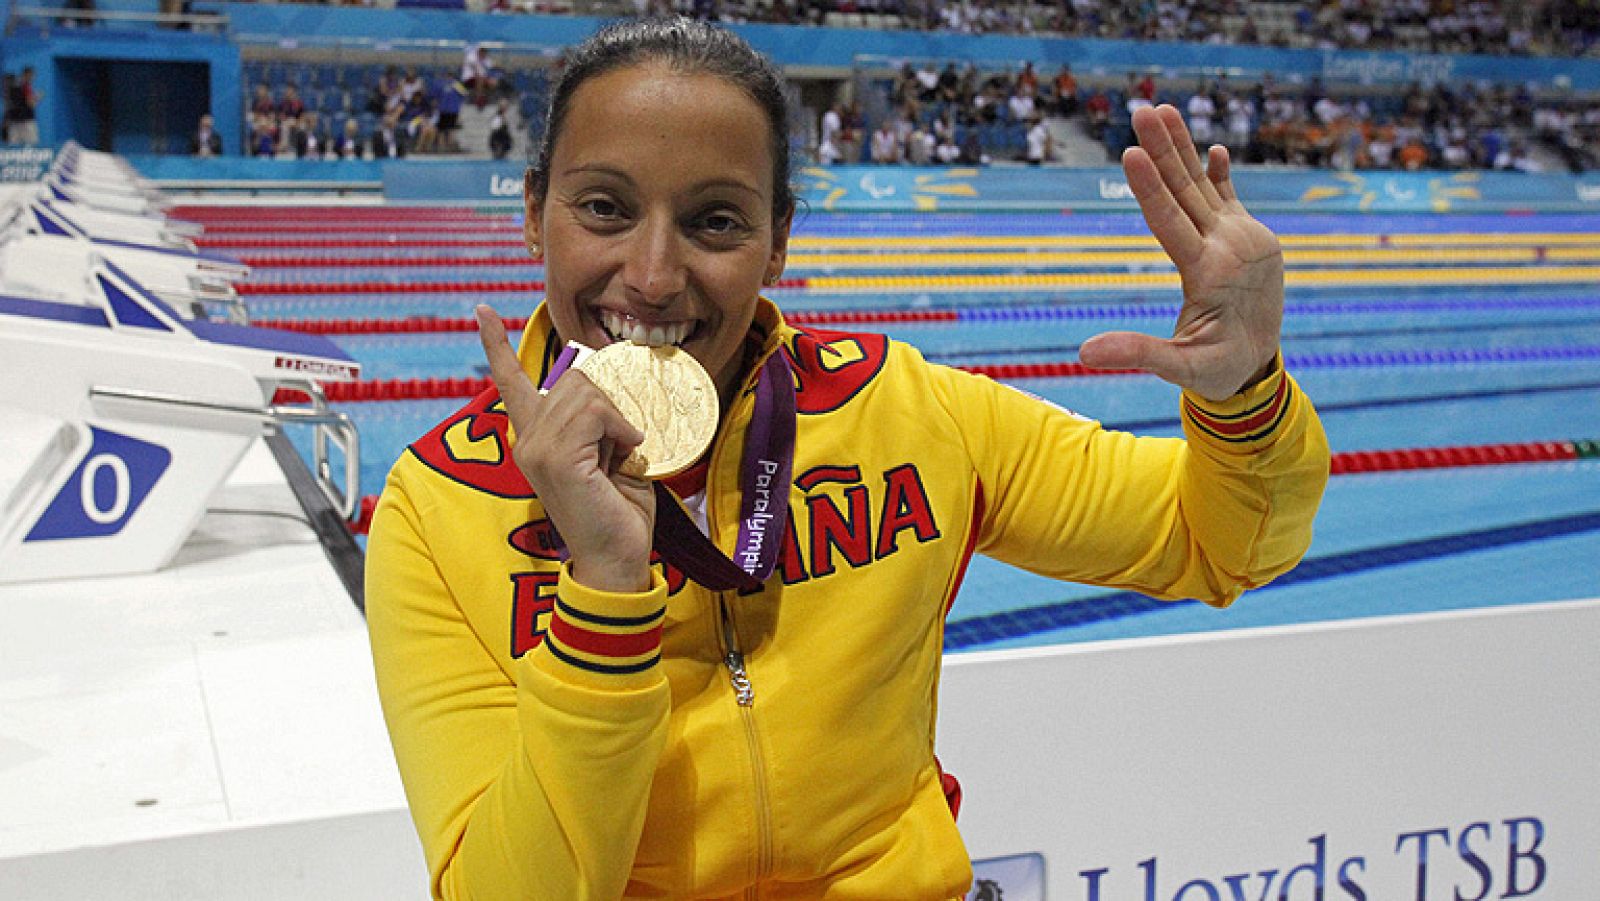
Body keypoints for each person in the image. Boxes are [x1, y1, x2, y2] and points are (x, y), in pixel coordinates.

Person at [366, 17, 1328, 901]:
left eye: (715, 221)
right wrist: (607, 591)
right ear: (536, 212)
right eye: (605, 208)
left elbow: (1222, 545)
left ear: (778, 240)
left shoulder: (906, 414)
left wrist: (1244, 395)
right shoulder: (440, 504)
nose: (653, 277)